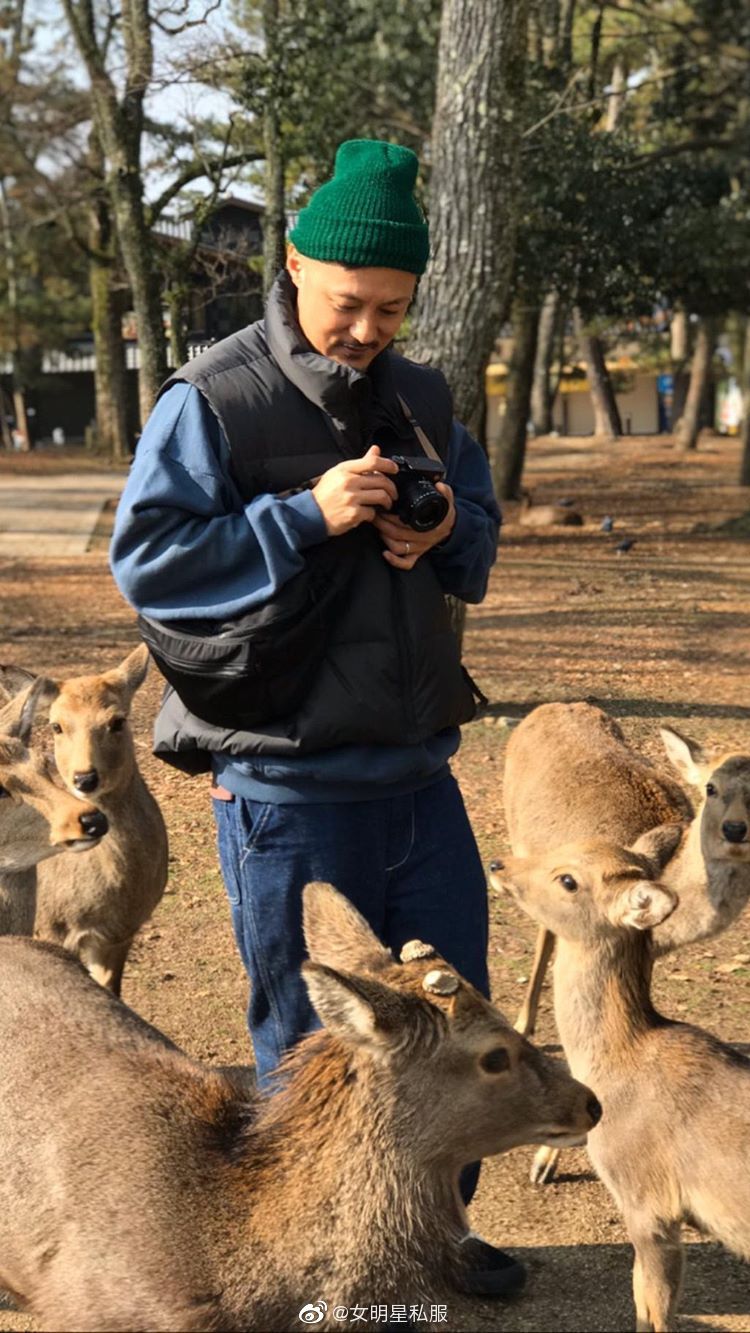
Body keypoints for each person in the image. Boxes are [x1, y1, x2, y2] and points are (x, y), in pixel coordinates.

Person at [110, 139, 517, 1297]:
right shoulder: (215, 396)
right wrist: (301, 518)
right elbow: (151, 565)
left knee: (460, 1038)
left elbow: (478, 535)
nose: (370, 329)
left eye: (394, 308)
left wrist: (444, 535)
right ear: (293, 263)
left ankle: (434, 1240)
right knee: (318, 1047)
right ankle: (329, 1271)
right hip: (286, 792)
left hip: (419, 780)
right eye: (350, 303)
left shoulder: (426, 395)